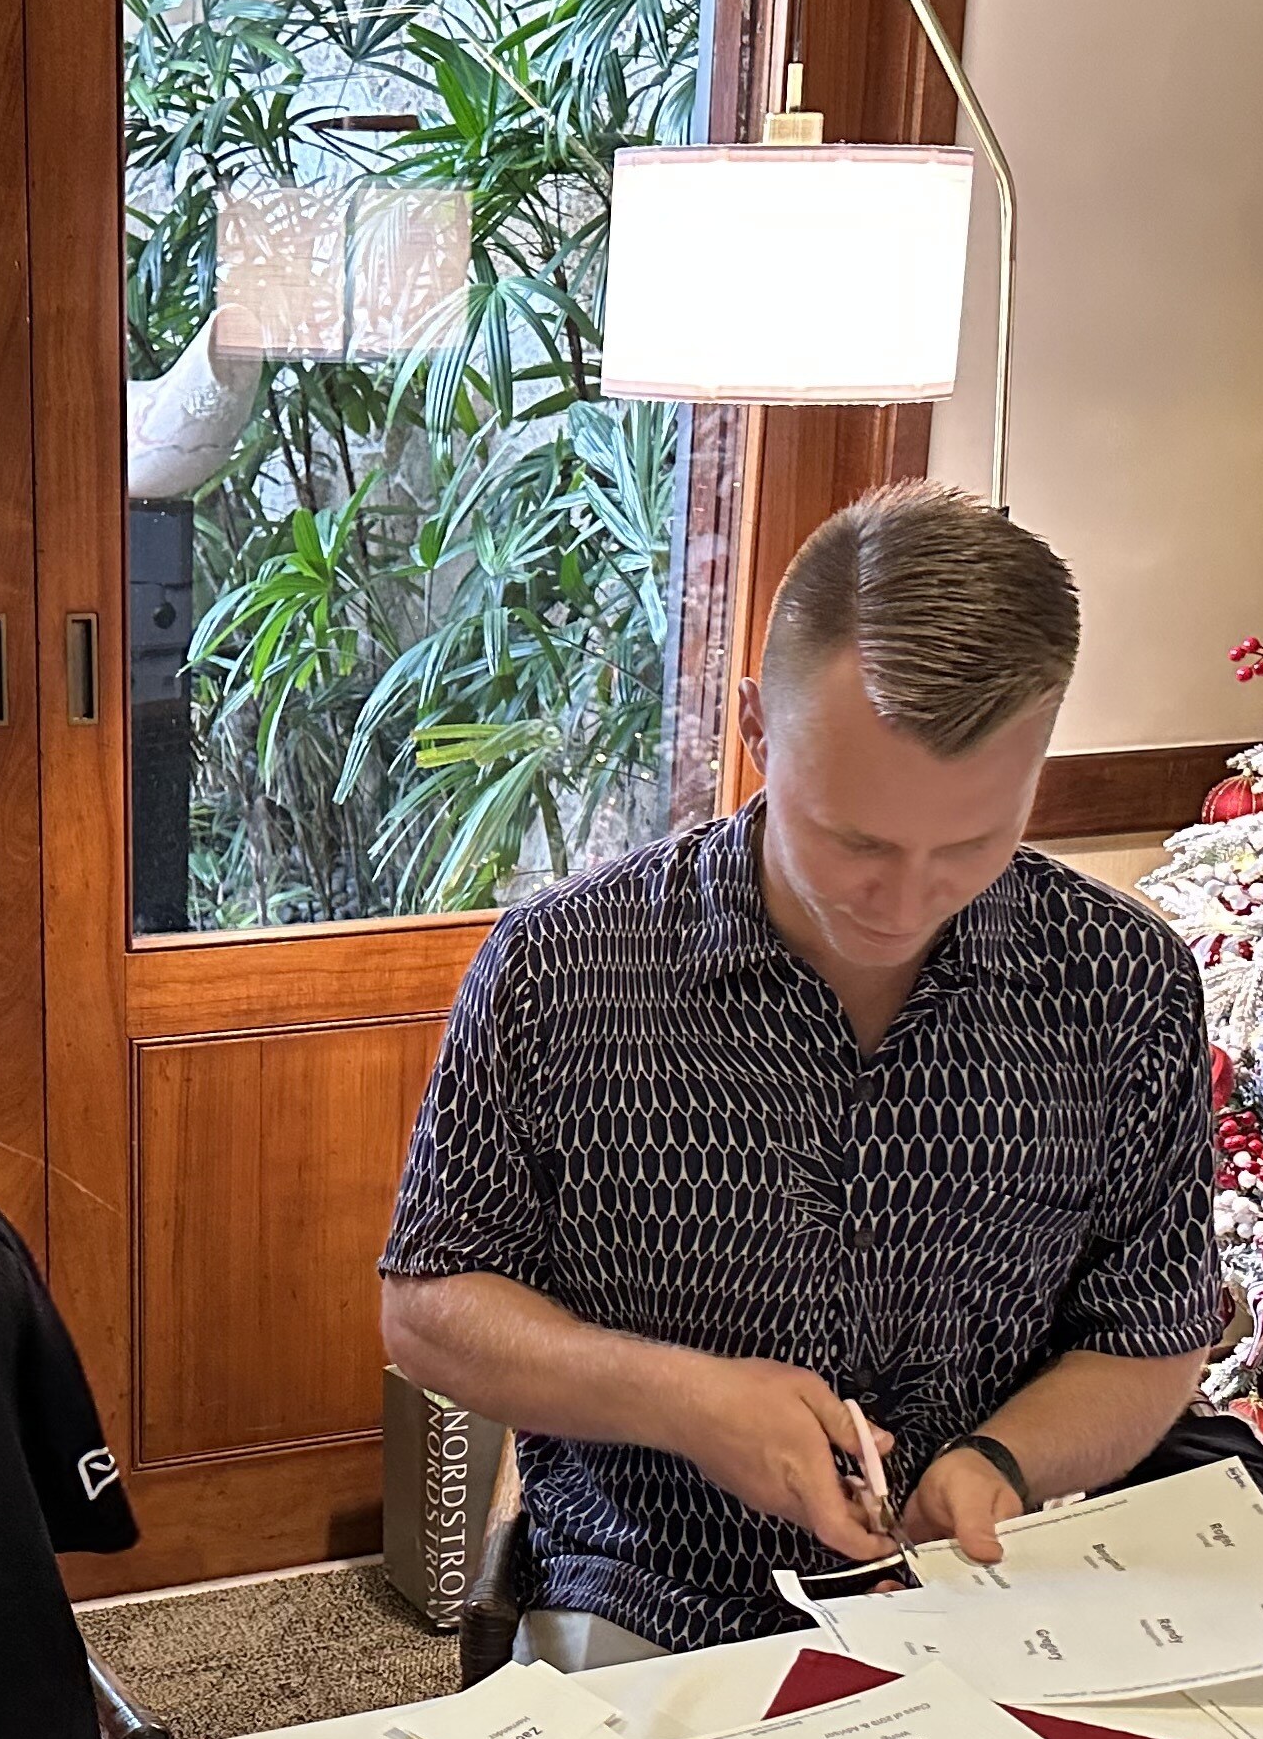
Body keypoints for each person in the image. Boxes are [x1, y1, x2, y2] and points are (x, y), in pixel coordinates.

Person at [378, 481, 1220, 1664]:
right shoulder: (565, 964)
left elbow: (1152, 1330)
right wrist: (688, 1403)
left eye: (972, 842)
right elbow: (431, 1306)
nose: (906, 896)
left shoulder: (1121, 981)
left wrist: (1002, 1463)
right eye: (855, 837)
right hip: (648, 1596)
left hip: (990, 1601)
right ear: (756, 733)